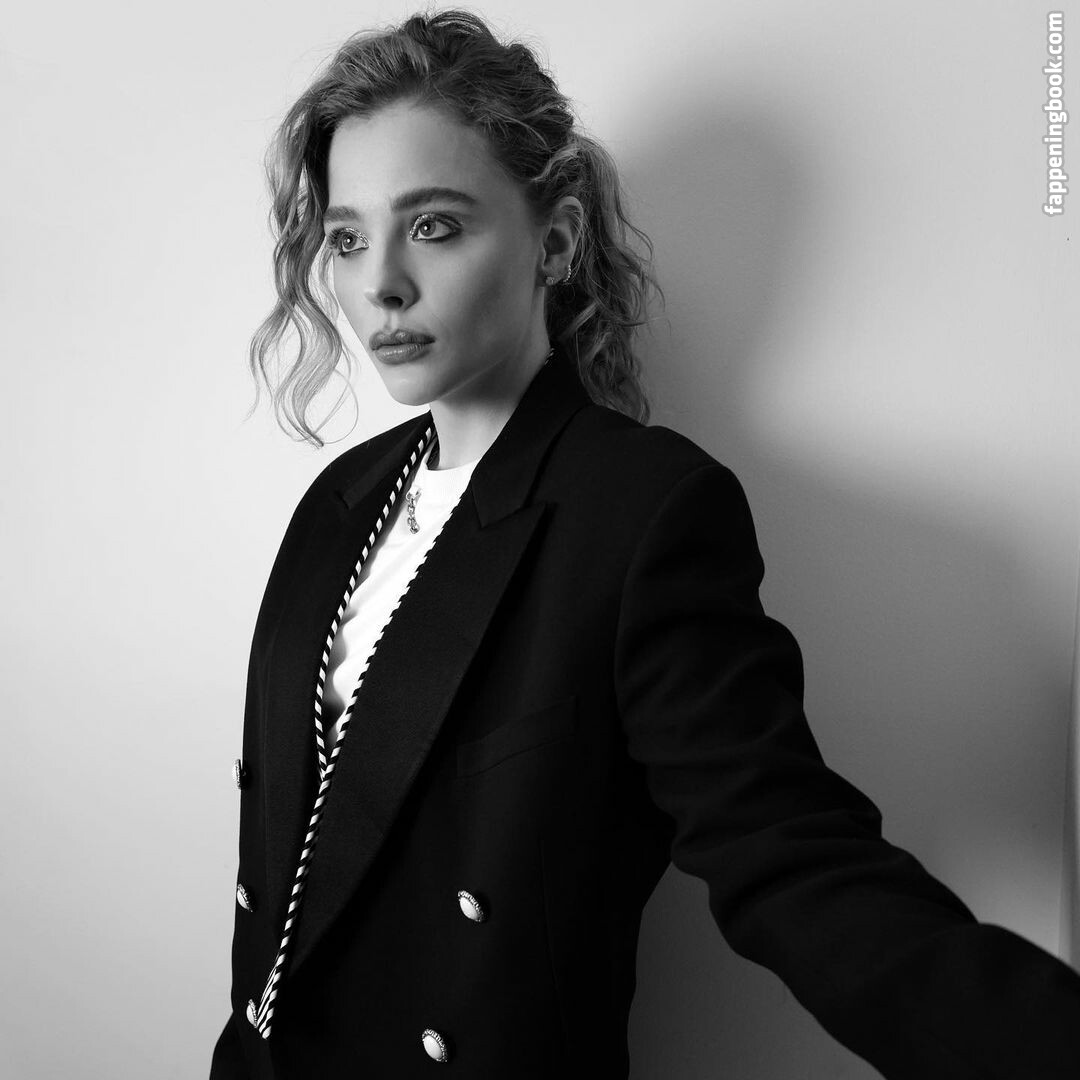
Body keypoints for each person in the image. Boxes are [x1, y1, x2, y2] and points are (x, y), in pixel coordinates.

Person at [210, 9, 1080, 1079]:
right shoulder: (336, 505)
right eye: (347, 238)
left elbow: (790, 861)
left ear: (555, 240)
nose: (380, 281)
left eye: (432, 225)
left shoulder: (642, 512)